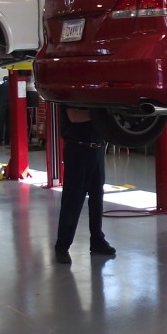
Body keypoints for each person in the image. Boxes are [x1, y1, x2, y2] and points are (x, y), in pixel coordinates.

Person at [54, 105, 116, 264]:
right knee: (73, 199)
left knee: (97, 198)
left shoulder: (97, 95)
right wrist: (103, 113)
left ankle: (97, 241)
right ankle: (62, 247)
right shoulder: (72, 91)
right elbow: (74, 116)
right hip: (77, 149)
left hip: (97, 149)